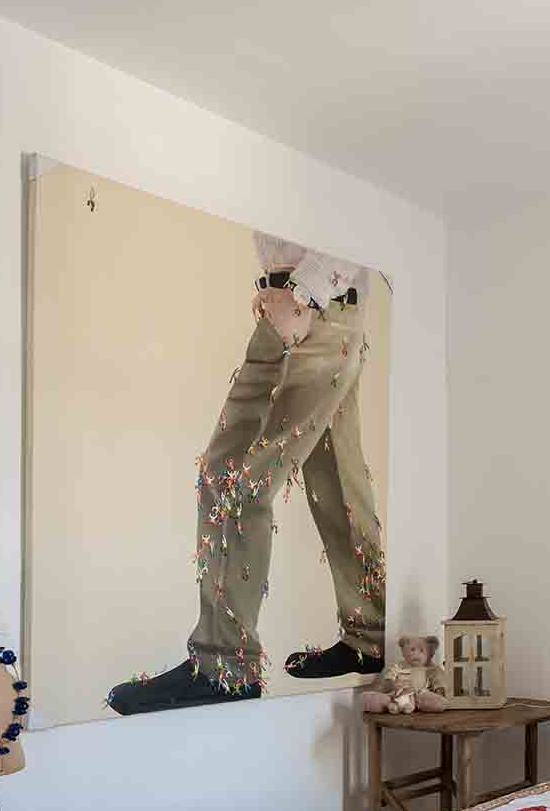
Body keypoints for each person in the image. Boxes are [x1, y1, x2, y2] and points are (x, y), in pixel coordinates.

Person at [107, 233, 384, 715]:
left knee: (235, 477)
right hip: (316, 308)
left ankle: (225, 666)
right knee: (335, 478)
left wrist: (303, 292)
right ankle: (370, 636)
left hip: (311, 308)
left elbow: (357, 217)